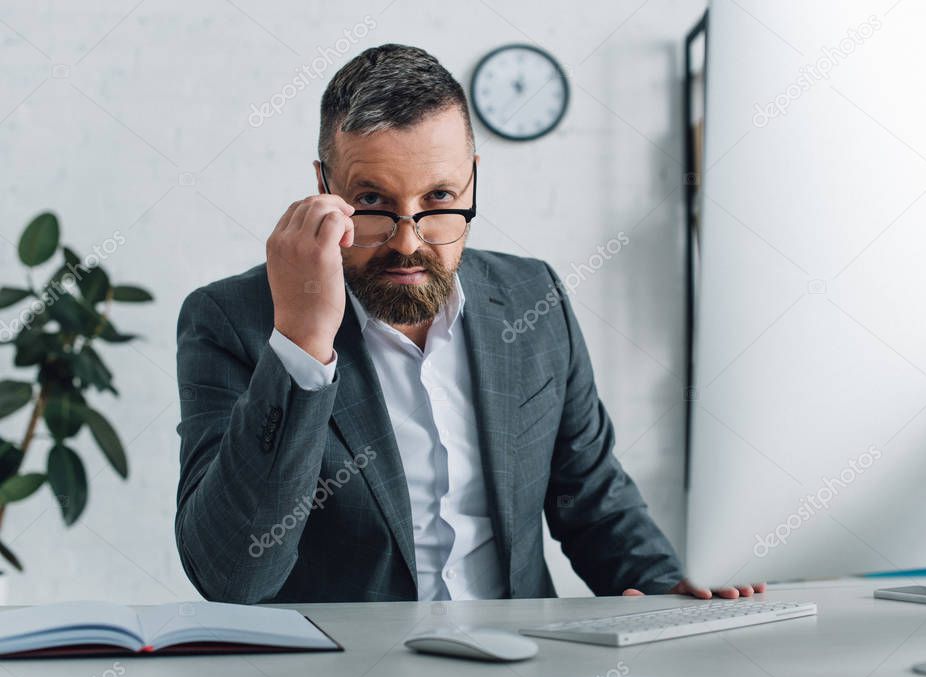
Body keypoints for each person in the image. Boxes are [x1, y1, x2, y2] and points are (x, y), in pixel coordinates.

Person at [175, 43, 765, 603]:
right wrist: (302, 345)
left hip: (523, 662)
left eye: (438, 198)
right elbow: (233, 577)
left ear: (473, 179)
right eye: (374, 201)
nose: (408, 242)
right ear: (324, 187)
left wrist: (667, 589)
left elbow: (591, 499)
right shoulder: (230, 321)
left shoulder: (536, 297)